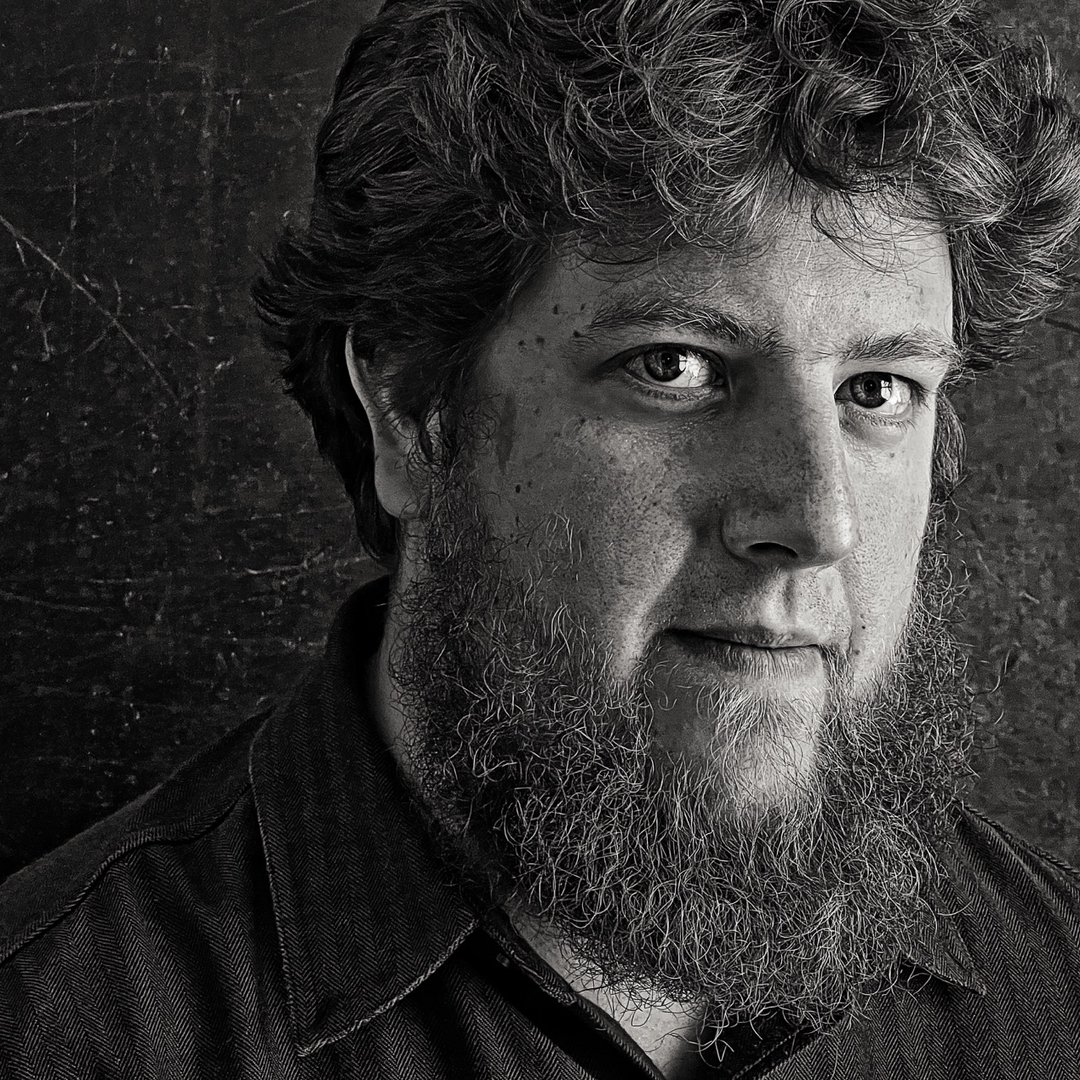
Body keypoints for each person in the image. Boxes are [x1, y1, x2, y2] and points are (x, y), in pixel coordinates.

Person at [3, 0, 1080, 1076]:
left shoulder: (1059, 992)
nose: (816, 522)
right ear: (407, 411)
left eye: (879, 387)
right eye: (674, 366)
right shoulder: (60, 1032)